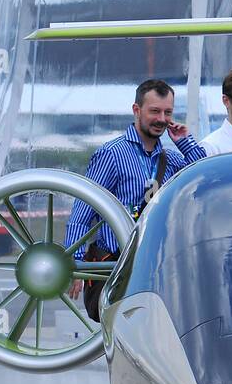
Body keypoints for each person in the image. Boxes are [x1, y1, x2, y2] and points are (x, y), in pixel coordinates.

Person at [64, 79, 205, 319]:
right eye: (154, 111)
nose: (162, 118)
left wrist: (185, 142)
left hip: (155, 267)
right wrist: (75, 263)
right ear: (136, 110)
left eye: (167, 112)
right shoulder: (112, 154)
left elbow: (203, 178)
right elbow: (84, 210)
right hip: (117, 266)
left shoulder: (169, 158)